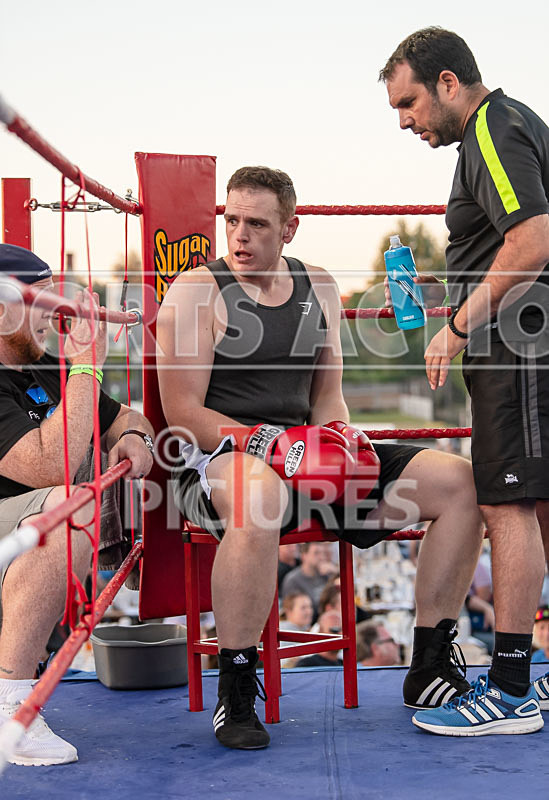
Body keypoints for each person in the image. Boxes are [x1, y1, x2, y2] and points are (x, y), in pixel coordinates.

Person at [156, 165, 484, 751]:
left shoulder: (321, 286)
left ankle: (430, 662)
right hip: (220, 458)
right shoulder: (197, 290)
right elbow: (184, 413)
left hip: (304, 454)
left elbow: (327, 392)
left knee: (458, 481)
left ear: (290, 228)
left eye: (257, 223)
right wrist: (269, 444)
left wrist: (337, 440)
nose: (239, 235)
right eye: (230, 220)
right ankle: (236, 688)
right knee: (259, 496)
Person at [380, 25, 549, 736]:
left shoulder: (488, 129)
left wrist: (456, 325)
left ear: (449, 82)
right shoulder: (517, 123)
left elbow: (533, 239)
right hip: (522, 344)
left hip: (519, 351)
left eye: (409, 102)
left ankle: (511, 689)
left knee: (507, 508)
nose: (406, 121)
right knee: (536, 509)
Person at [0, 244, 154, 765]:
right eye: (41, 299)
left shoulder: (42, 367)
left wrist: (135, 438)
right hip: (18, 542)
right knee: (70, 507)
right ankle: (9, 709)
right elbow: (50, 465)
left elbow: (127, 418)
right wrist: (87, 367)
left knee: (71, 508)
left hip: (19, 548)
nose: (56, 312)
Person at [280, 542, 337, 616]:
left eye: (322, 553)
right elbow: (293, 612)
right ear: (304, 556)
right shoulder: (293, 580)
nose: (321, 557)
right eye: (316, 553)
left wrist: (335, 573)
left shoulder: (326, 575)